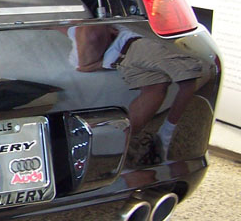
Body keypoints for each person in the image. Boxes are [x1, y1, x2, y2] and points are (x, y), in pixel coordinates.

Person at [68, 24, 206, 157]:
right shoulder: (86, 33)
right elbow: (90, 51)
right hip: (131, 50)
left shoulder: (78, 38)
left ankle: (123, 148)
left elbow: (85, 64)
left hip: (123, 58)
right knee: (187, 78)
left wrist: (99, 62)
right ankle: (165, 136)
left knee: (156, 88)